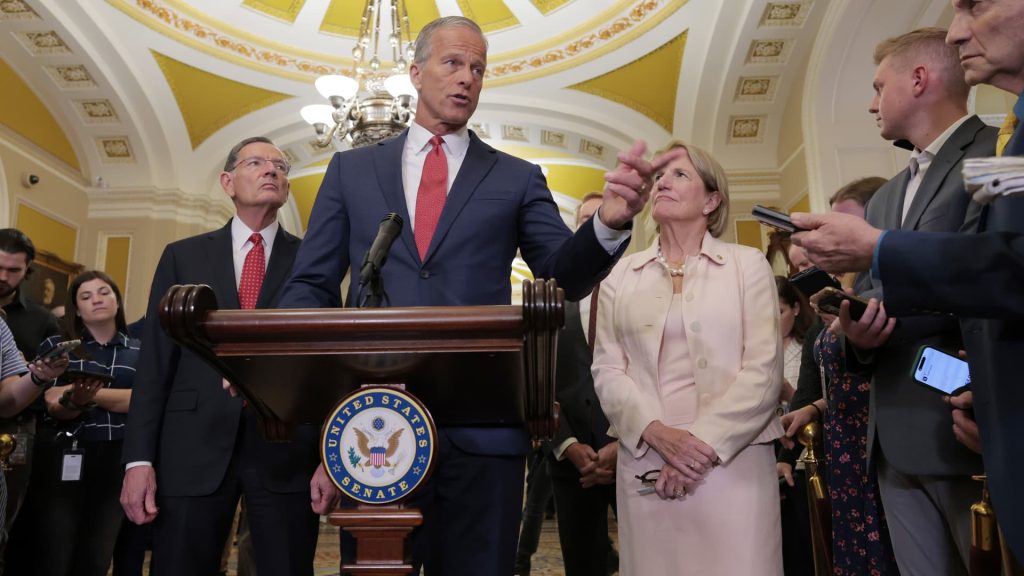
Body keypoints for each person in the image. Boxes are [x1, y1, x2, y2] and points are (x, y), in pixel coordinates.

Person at [278, 16, 664, 575]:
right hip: (375, 423)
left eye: (478, 69)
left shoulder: (516, 177)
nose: (467, 78)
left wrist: (609, 221)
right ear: (415, 73)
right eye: (453, 63)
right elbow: (312, 284)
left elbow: (561, 274)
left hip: (484, 427)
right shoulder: (350, 170)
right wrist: (277, 363)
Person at [791, 2, 1024, 561]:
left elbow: (993, 270)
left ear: (918, 80)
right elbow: (877, 287)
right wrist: (858, 334)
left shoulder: (994, 152)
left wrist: (880, 292)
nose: (872, 103)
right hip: (891, 430)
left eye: (879, 87)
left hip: (965, 417)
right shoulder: (888, 194)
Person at [119, 136, 335, 575]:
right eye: (255, 162)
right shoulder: (183, 256)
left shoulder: (313, 260)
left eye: (280, 166)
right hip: (191, 446)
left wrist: (329, 460)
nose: (271, 170)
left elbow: (326, 365)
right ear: (227, 182)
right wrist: (138, 460)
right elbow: (156, 365)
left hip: (286, 450)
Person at [592, 140, 784, 575]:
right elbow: (607, 369)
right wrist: (657, 434)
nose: (663, 182)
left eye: (680, 174)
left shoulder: (747, 264)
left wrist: (699, 449)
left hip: (733, 458)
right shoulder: (621, 274)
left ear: (711, 201)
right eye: (660, 175)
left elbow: (764, 370)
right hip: (647, 458)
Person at [27, 271, 139, 576]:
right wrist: (75, 401)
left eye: (104, 292)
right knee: (54, 552)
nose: (97, 300)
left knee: (98, 555)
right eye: (86, 297)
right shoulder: (58, 346)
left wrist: (88, 394)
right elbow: (52, 401)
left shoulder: (140, 350)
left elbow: (143, 401)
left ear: (117, 300)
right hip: (64, 452)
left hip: (118, 456)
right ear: (76, 309)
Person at [548, 192, 618, 576]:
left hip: (638, 455)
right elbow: (537, 381)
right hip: (571, 463)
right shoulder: (551, 300)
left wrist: (623, 445)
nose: (595, 227)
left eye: (604, 218)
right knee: (583, 565)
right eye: (587, 220)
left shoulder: (642, 292)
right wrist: (567, 445)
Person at [0, 228, 61, 575]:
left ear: (27, 271)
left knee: (6, 520)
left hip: (17, 427)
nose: (2, 277)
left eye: (12, 270)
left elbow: (32, 389)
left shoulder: (40, 319)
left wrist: (35, 376)